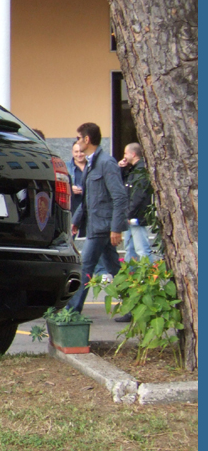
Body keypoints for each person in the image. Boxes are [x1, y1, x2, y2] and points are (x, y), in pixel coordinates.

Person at [66, 122, 128, 313]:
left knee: (85, 266)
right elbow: (87, 199)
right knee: (114, 268)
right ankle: (134, 304)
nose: (77, 142)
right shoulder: (92, 163)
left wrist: (116, 228)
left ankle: (71, 311)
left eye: (79, 138)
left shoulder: (105, 163)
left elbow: (119, 196)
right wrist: (76, 220)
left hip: (102, 226)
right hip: (96, 225)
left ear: (87, 139)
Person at [66, 141, 88, 238]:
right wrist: (70, 188)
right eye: (76, 152)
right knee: (70, 236)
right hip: (73, 206)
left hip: (88, 206)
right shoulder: (66, 167)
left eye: (81, 151)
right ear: (72, 152)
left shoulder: (91, 167)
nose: (79, 154)